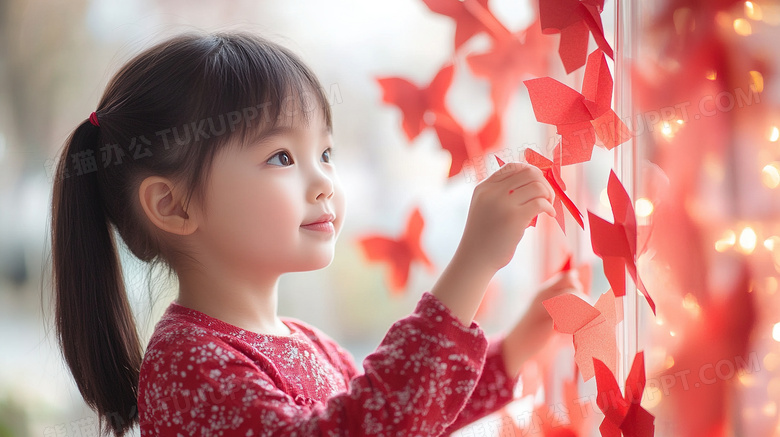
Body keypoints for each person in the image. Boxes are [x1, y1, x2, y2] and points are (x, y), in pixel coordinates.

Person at [50, 31, 580, 436]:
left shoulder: (311, 343)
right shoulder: (185, 364)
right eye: (281, 156)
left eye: (325, 154)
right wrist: (473, 263)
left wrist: (519, 347)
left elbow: (403, 414)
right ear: (173, 204)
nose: (325, 181)